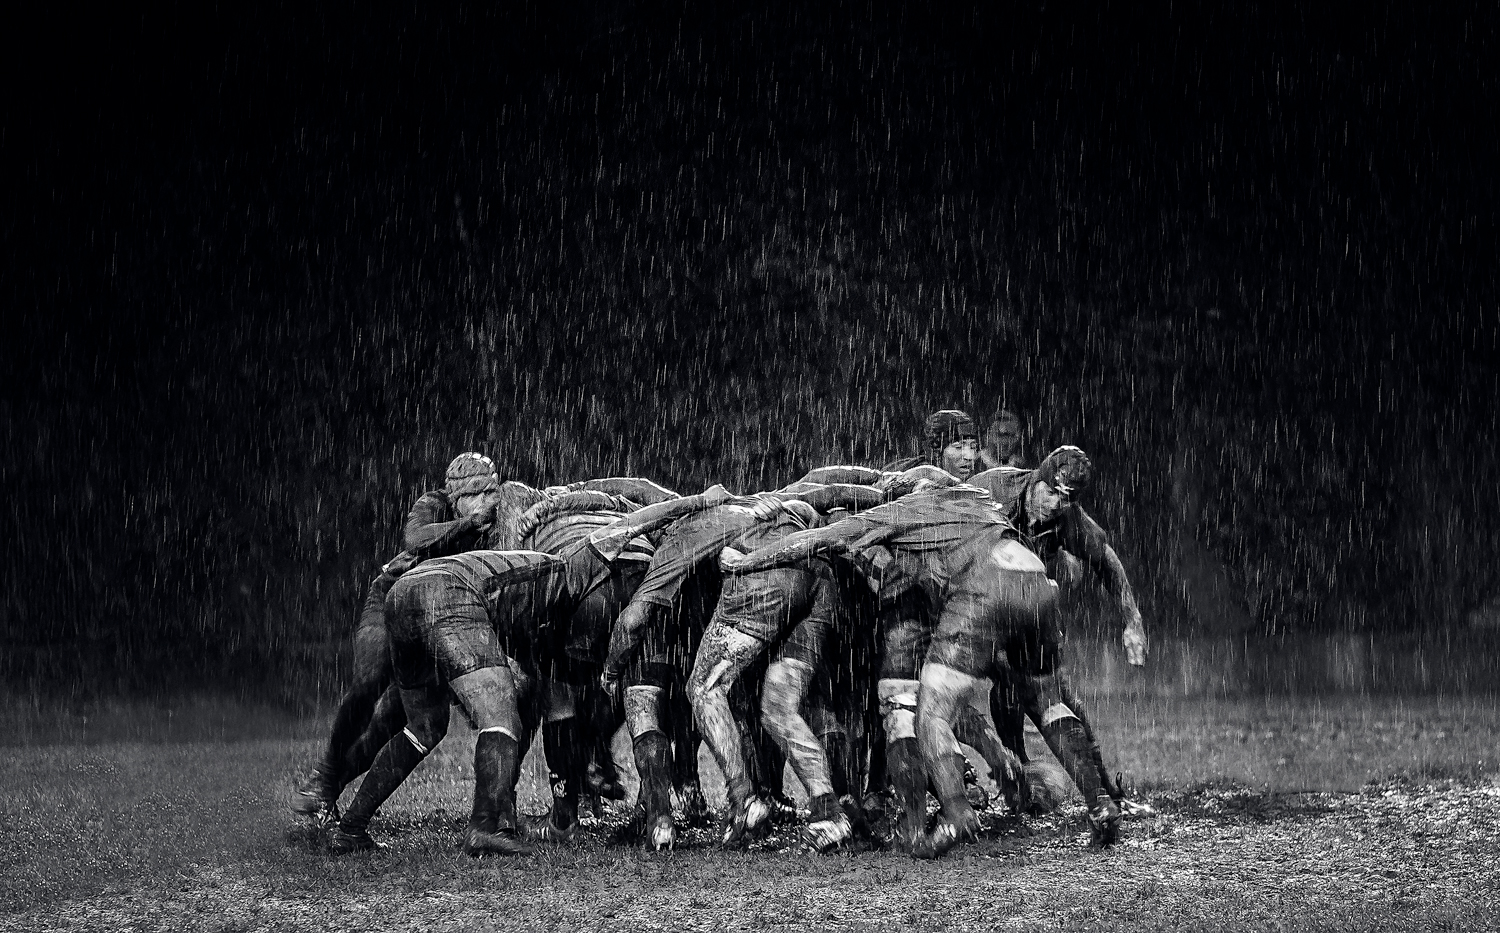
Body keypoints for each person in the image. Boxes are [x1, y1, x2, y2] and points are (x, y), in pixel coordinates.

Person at [327, 485, 734, 856]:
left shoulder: (538, 612)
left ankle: (352, 826)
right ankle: (484, 828)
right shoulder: (577, 563)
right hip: (449, 593)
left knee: (425, 726)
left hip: (404, 592)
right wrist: (700, 501)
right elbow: (636, 522)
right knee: (501, 717)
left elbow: (546, 695)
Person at [721, 482, 1119, 858]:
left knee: (912, 712)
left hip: (935, 607)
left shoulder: (901, 513)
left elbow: (819, 537)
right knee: (1046, 702)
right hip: (1033, 588)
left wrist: (748, 560)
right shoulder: (978, 497)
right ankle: (1096, 799)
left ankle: (936, 818)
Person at [292, 452, 507, 820]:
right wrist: (468, 524)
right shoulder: (434, 504)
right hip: (389, 599)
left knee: (395, 721)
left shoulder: (501, 523)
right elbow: (415, 538)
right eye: (476, 493)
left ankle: (333, 796)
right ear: (455, 496)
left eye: (491, 492)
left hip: (439, 622)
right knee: (370, 680)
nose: (486, 501)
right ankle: (326, 773)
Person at [883, 410, 980, 483]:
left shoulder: (978, 479)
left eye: (973, 447)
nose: (970, 456)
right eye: (958, 447)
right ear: (936, 452)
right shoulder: (915, 478)